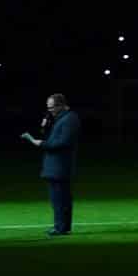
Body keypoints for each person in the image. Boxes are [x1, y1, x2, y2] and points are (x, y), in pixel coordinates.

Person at [21, 92, 82, 235]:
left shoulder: (70, 119)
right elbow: (55, 138)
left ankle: (60, 228)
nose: (50, 111)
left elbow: (63, 142)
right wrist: (46, 127)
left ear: (61, 105)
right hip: (56, 166)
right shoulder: (62, 118)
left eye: (52, 108)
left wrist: (42, 143)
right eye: (48, 108)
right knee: (60, 199)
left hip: (61, 166)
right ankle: (62, 227)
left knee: (60, 199)